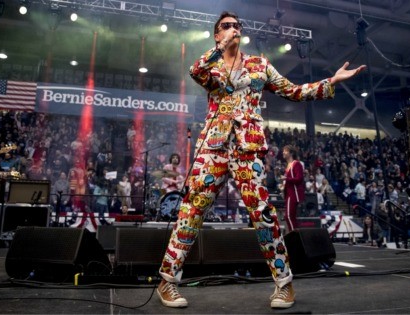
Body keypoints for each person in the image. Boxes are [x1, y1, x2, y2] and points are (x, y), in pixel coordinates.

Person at [156, 11, 366, 310]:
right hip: (213, 146)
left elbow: (293, 92)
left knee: (263, 214)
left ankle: (284, 285)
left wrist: (331, 81)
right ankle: (167, 280)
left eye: (237, 26)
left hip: (247, 149)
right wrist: (219, 50)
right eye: (226, 27)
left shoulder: (260, 65)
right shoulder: (211, 63)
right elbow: (195, 71)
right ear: (217, 35)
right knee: (191, 211)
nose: (233, 29)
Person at [281, 145, 304, 232]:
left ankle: (294, 235)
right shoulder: (288, 165)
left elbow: (299, 179)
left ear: (291, 153)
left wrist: (286, 179)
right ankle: (294, 234)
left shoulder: (296, 164)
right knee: (291, 216)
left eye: (285, 151)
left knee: (289, 216)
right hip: (288, 193)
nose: (283, 152)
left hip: (294, 193)